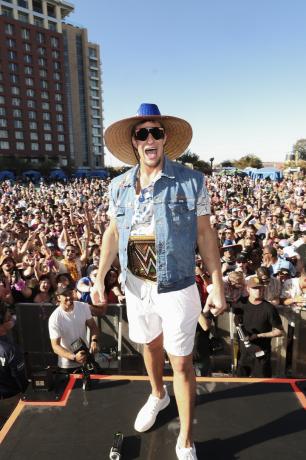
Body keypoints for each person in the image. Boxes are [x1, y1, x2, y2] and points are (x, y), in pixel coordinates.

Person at [91, 103, 226, 460]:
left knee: (181, 363)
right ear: (134, 142)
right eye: (142, 133)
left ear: (165, 138)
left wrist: (217, 283)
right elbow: (113, 232)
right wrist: (101, 276)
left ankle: (185, 440)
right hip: (136, 286)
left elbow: (205, 233)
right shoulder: (118, 186)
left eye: (156, 132)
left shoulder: (192, 180)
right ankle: (157, 394)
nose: (150, 138)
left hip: (178, 285)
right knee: (149, 347)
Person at [234, 276, 284, 377]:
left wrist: (258, 336)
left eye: (260, 288)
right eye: (255, 288)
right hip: (243, 354)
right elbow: (235, 317)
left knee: (262, 386)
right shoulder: (240, 303)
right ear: (248, 289)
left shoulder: (269, 308)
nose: (258, 291)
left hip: (261, 355)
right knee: (239, 385)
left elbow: (280, 331)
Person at [48, 284, 100, 372]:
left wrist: (94, 341)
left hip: (86, 359)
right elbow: (55, 346)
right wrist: (74, 357)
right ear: (58, 298)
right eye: (65, 295)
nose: (69, 297)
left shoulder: (83, 307)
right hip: (67, 365)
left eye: (70, 293)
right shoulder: (54, 318)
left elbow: (93, 326)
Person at [0, 302, 28, 426]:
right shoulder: (10, 350)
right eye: (8, 317)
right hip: (11, 399)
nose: (12, 318)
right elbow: (21, 380)